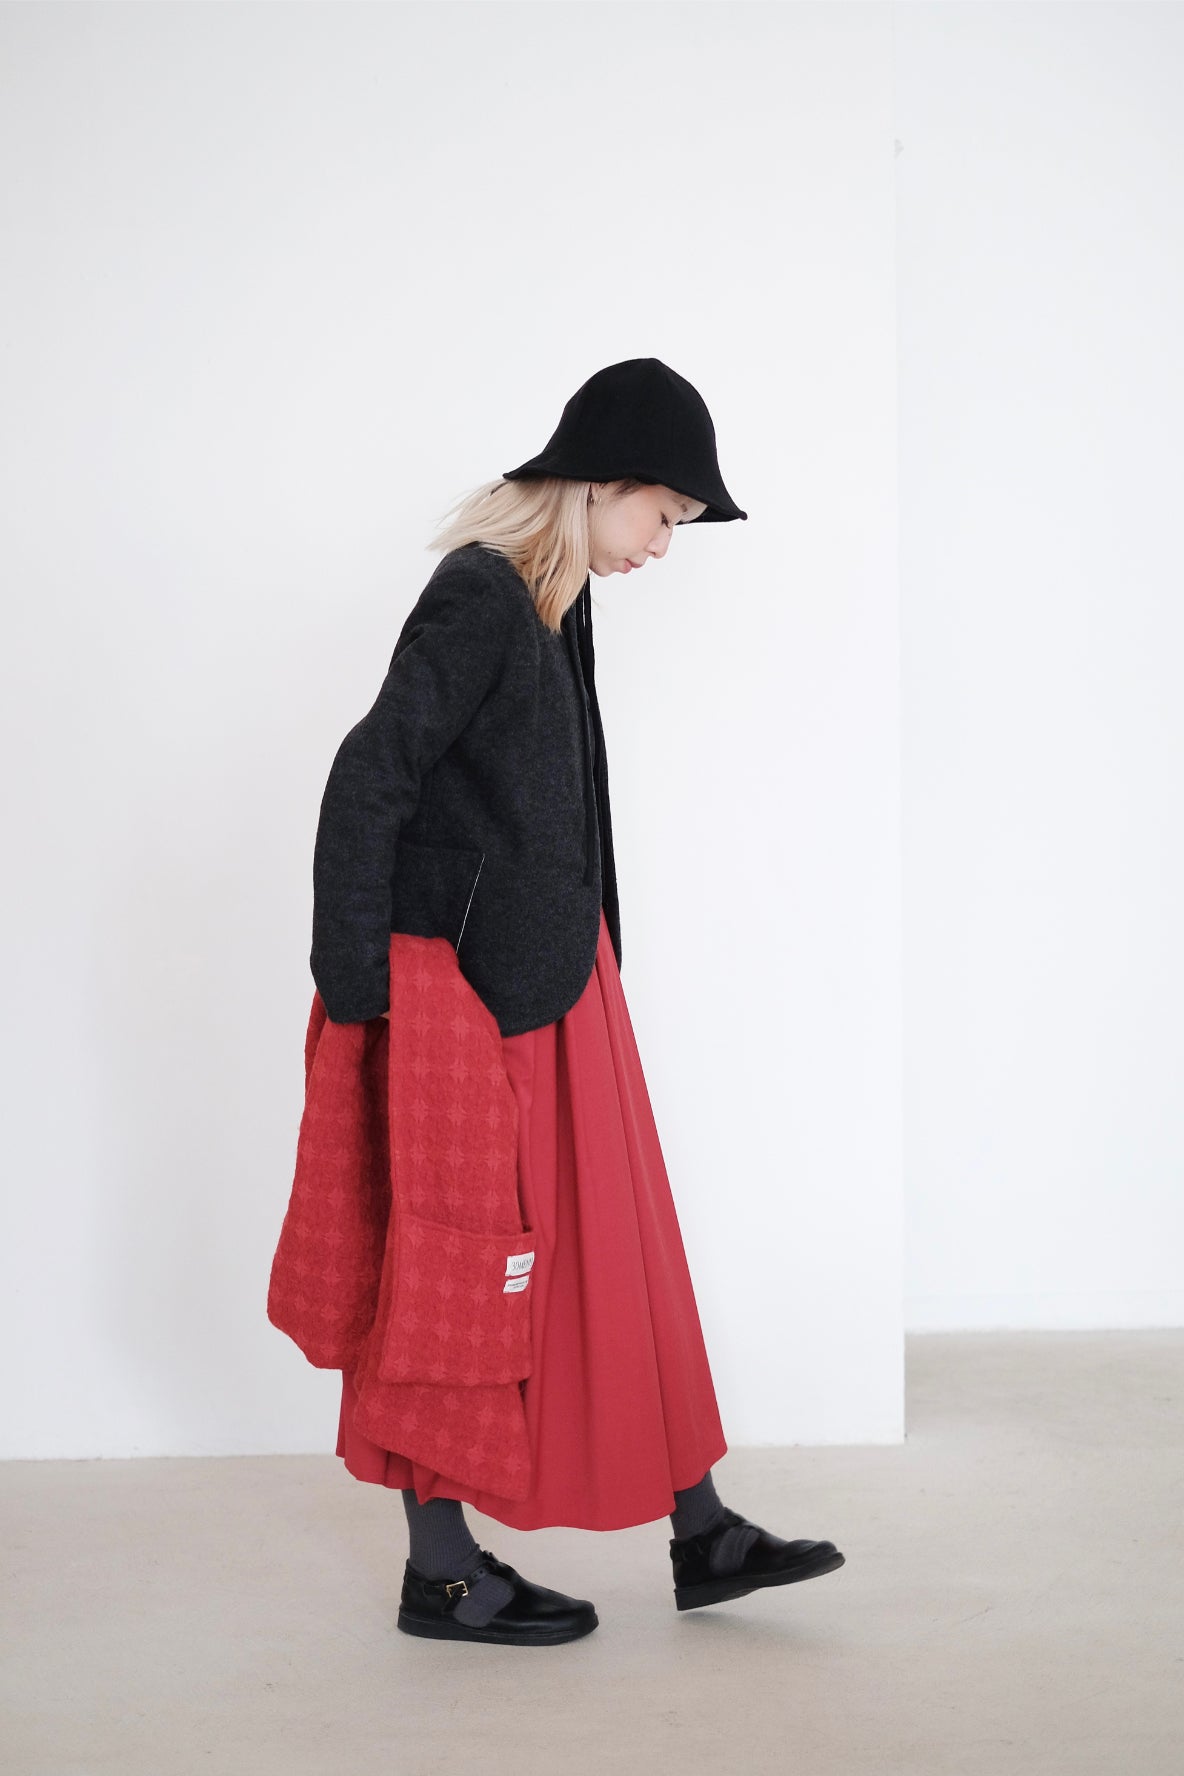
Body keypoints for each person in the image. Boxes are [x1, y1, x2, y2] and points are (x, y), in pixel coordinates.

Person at [304, 357, 845, 1646]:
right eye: (665, 512)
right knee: (456, 1271)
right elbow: (370, 774)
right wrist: (361, 991)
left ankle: (701, 1527)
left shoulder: (557, 603)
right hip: (472, 997)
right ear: (600, 484)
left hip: (557, 977)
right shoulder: (481, 594)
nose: (666, 542)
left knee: (623, 1247)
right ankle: (443, 1575)